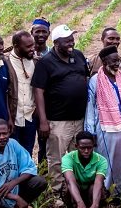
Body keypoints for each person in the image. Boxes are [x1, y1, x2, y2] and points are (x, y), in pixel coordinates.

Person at [32, 24, 89, 193]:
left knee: (76, 158)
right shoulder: (46, 62)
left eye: (72, 39)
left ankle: (75, 191)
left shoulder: (78, 55)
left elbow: (85, 79)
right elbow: (38, 91)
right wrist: (43, 120)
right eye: (67, 41)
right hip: (57, 121)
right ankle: (55, 192)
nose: (71, 43)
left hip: (79, 119)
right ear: (56, 43)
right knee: (56, 160)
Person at [84, 45, 121, 198]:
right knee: (108, 158)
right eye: (113, 61)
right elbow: (91, 108)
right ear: (104, 61)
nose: (116, 64)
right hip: (106, 126)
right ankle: (107, 192)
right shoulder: (95, 81)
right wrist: (91, 132)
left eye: (118, 61)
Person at [5, 31, 38, 156]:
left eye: (33, 45)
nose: (32, 49)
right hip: (13, 117)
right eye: (28, 47)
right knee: (11, 154)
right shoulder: (5, 62)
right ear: (16, 46)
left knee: (27, 152)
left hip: (30, 117)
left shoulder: (35, 62)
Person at [61, 131, 108, 208]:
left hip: (92, 192)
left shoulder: (101, 160)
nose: (86, 151)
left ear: (93, 146)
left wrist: (95, 205)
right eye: (82, 148)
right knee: (67, 188)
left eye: (89, 148)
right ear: (76, 146)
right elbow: (70, 181)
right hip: (76, 190)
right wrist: (80, 203)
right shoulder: (68, 158)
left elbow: (98, 182)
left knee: (95, 187)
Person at [30, 17, 51, 163]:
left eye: (44, 32)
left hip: (47, 107)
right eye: (37, 31)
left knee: (45, 145)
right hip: (27, 108)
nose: (41, 35)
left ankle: (43, 174)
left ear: (49, 34)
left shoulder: (52, 54)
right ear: (31, 32)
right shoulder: (23, 53)